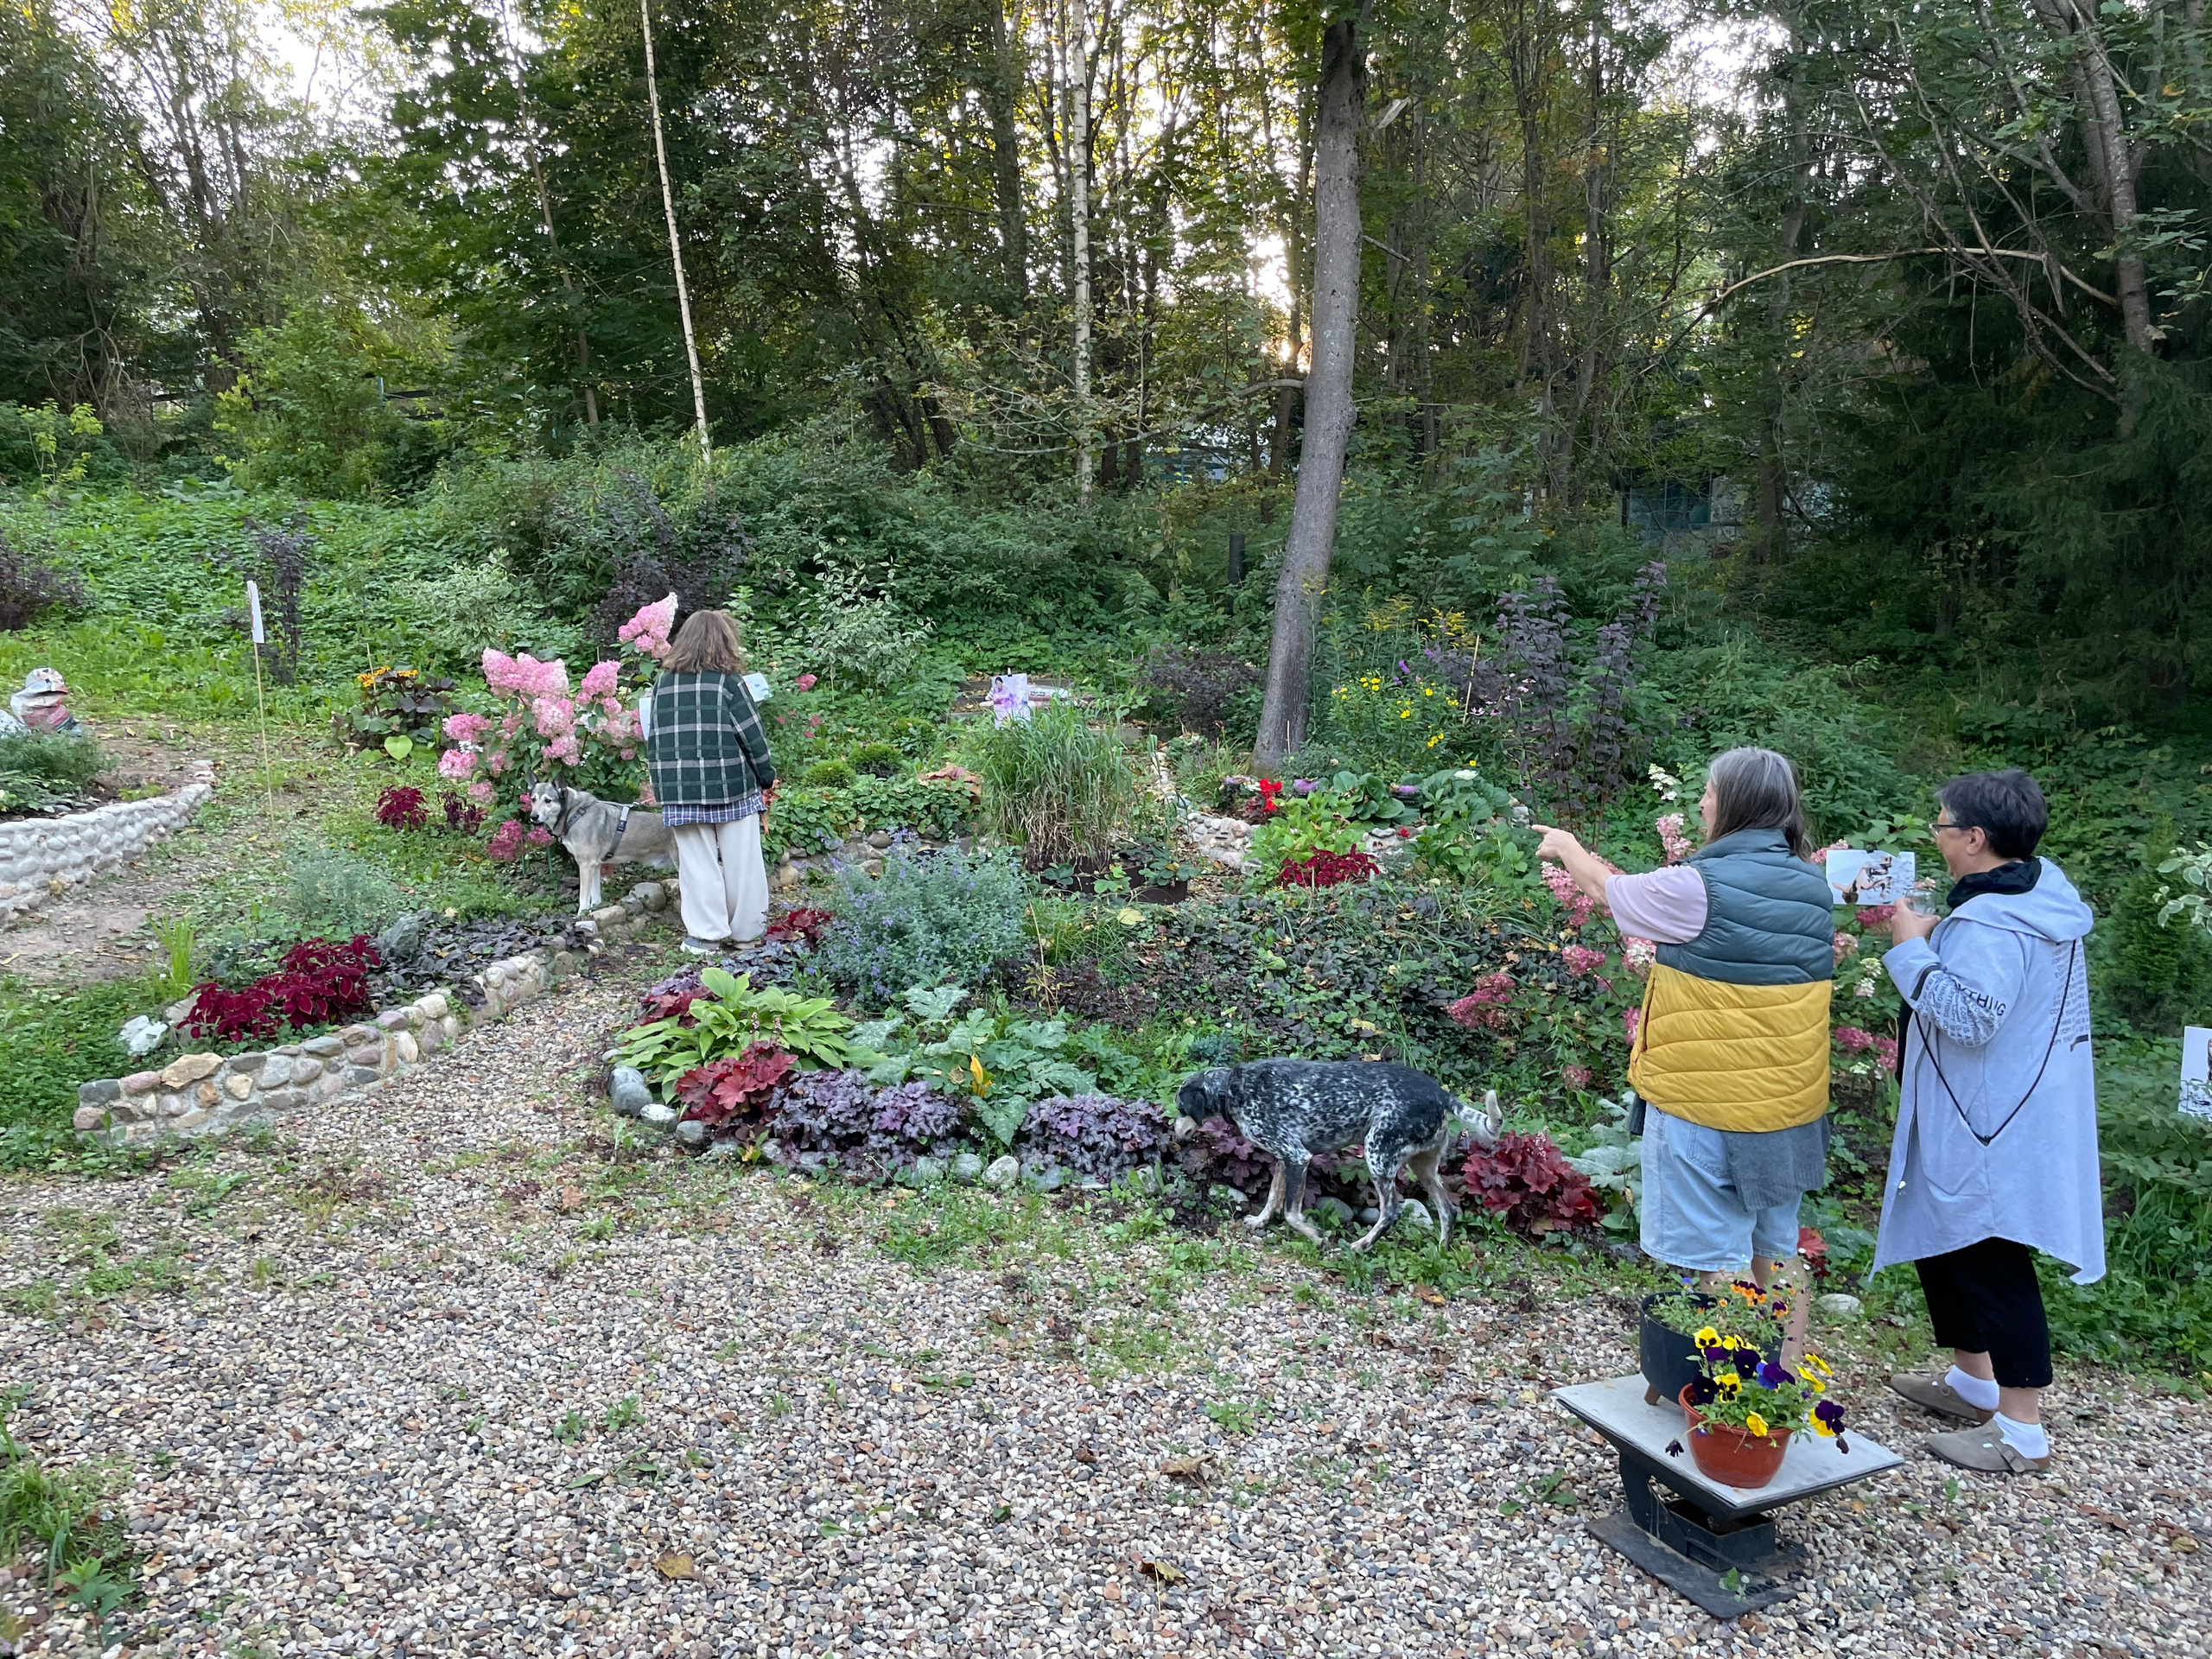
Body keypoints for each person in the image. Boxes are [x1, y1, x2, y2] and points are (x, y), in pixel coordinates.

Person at [1536, 747, 1834, 1360]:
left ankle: (1726, 1392)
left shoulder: (1701, 887)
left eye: (1710, 792)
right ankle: (1782, 1377)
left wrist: (1567, 846)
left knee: (1717, 1264)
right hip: (1788, 1110)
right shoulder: (1813, 884)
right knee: (1778, 1252)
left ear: (1735, 805)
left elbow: (1605, 891)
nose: (1701, 803)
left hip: (1708, 1106)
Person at [1877, 767, 2099, 1474]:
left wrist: (1909, 947)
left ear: (1975, 838)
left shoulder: (1996, 922)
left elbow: (1972, 1017)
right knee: (1945, 1237)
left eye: (1942, 825)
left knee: (1989, 1251)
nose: (1936, 836)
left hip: (1990, 1120)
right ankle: (1973, 1380)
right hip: (1980, 1105)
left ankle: (2021, 1428)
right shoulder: (2032, 897)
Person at [645, 609, 776, 955]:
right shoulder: (729, 683)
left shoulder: (663, 684)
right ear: (725, 641)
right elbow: (752, 736)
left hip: (679, 788)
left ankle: (706, 936)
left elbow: (654, 739)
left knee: (696, 864)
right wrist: (766, 776)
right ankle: (746, 934)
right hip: (731, 785)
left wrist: (662, 787)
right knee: (743, 863)